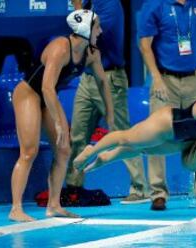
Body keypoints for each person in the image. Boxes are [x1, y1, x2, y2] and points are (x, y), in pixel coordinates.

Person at [73, 63, 196, 186]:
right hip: (167, 126)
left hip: (186, 139)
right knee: (127, 137)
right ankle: (92, 150)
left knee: (142, 151)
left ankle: (106, 158)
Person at [9, 9, 114, 222]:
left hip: (49, 99)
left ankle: (54, 205)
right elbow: (46, 87)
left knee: (64, 150)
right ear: (85, 29)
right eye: (97, 27)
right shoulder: (60, 48)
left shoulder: (92, 54)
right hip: (29, 93)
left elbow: (103, 82)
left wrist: (110, 116)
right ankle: (16, 208)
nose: (100, 31)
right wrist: (59, 124)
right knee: (29, 150)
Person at [66, 0, 149, 205]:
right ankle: (74, 187)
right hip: (87, 78)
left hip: (109, 79)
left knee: (121, 133)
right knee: (78, 135)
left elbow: (92, 37)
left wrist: (78, 9)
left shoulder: (110, 5)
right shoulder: (89, 4)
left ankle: (140, 188)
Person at [138, 0, 196, 210]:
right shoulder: (154, 4)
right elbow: (144, 44)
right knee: (156, 135)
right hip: (166, 80)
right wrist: (155, 77)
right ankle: (158, 193)